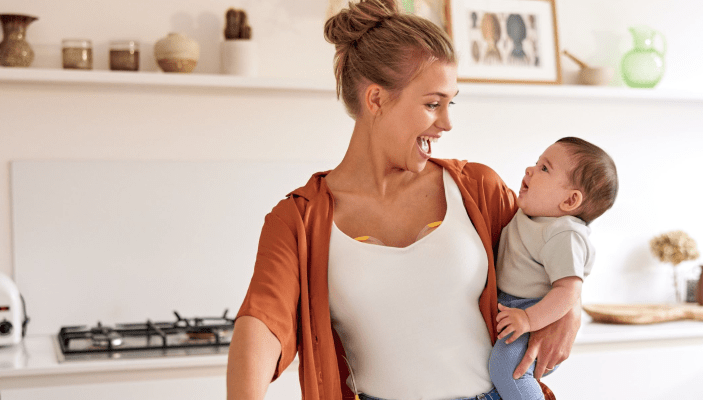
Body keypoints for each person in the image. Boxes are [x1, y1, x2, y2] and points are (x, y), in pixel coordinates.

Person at [226, 1, 581, 399]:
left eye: (451, 103)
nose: (447, 123)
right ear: (375, 99)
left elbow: (555, 247)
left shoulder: (478, 190)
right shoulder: (299, 219)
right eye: (432, 104)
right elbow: (262, 322)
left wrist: (574, 305)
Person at [488, 137, 618, 400]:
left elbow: (569, 290)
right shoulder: (531, 216)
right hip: (514, 307)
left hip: (534, 312)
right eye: (537, 163)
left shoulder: (564, 233)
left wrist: (529, 319)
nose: (530, 169)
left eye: (544, 168)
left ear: (570, 201)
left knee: (506, 370)